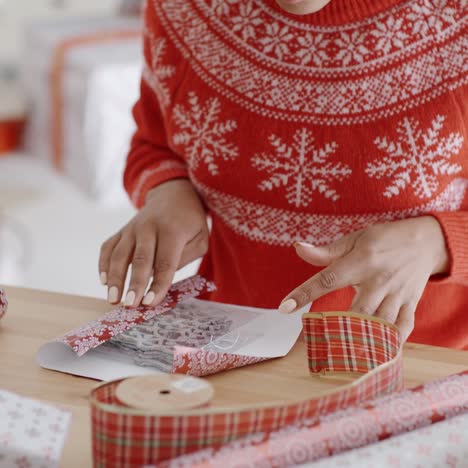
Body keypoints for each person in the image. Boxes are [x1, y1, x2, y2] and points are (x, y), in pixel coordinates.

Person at [99, 0, 468, 348]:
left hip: (425, 374)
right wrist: (169, 192)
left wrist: (437, 245)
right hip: (234, 355)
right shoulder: (182, 10)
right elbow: (155, 143)